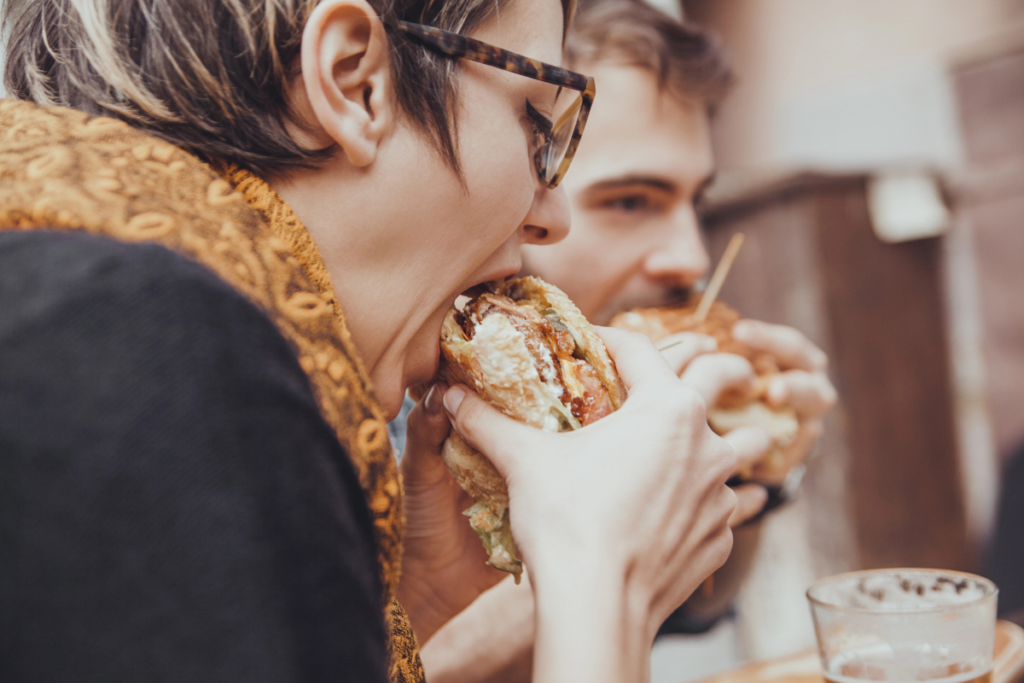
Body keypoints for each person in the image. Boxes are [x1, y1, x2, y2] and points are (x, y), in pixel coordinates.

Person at [0, 0, 741, 681]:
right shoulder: (136, 340)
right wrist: (603, 577)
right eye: (538, 123)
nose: (553, 214)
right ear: (353, 83)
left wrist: (412, 596)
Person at [414, 0, 837, 680]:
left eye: (694, 202)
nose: (690, 258)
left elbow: (696, 610)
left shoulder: (624, 396)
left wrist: (749, 477)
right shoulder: (392, 403)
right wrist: (613, 548)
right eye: (631, 200)